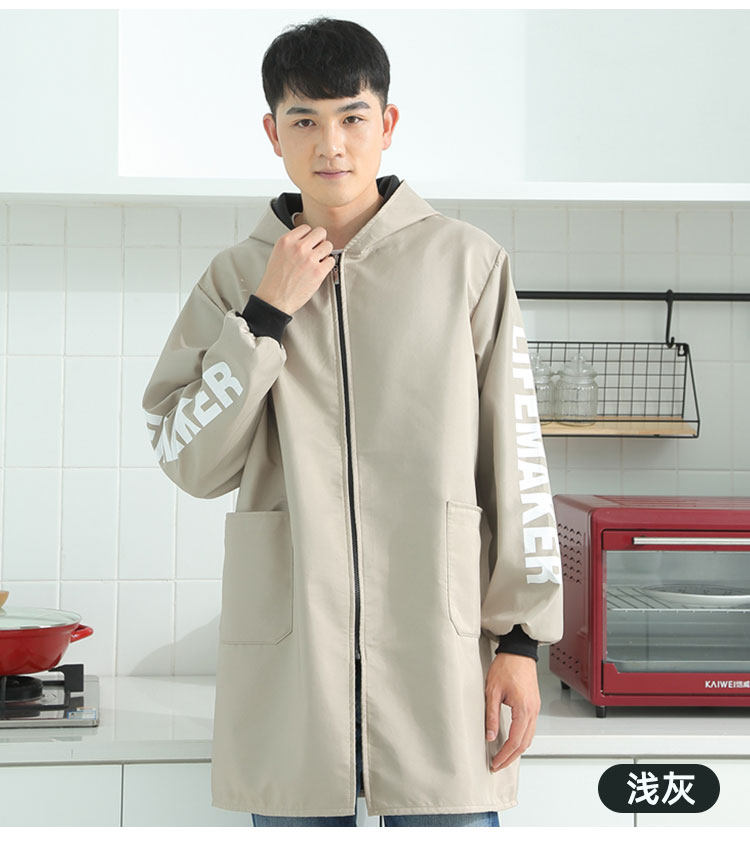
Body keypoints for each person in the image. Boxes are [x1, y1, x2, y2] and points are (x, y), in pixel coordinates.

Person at [142, 15, 563, 827]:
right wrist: (264, 317)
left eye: (352, 117)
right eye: (304, 121)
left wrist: (519, 638)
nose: (330, 144)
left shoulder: (467, 263)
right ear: (273, 133)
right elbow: (186, 455)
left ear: (387, 124)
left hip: (441, 663)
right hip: (293, 670)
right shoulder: (236, 278)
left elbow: (516, 458)